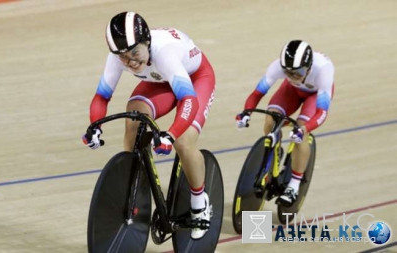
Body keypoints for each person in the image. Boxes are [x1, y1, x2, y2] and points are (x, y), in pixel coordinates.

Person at [82, 11, 216, 239]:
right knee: (133, 118)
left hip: (195, 80)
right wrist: (95, 126)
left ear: (147, 42)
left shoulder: (164, 52)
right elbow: (102, 97)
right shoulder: (117, 58)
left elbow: (188, 99)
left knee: (184, 142)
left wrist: (170, 136)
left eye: (135, 53)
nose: (131, 62)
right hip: (161, 81)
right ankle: (134, 187)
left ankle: (199, 202)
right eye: (123, 57)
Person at [236, 40, 335, 207]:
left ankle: (294, 184)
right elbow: (257, 93)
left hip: (314, 95)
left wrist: (305, 128)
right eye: (288, 72)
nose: (292, 76)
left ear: (309, 67)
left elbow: (321, 112)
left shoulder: (324, 70)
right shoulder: (278, 67)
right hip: (291, 91)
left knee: (301, 131)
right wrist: (246, 112)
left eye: (297, 72)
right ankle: (275, 151)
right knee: (270, 120)